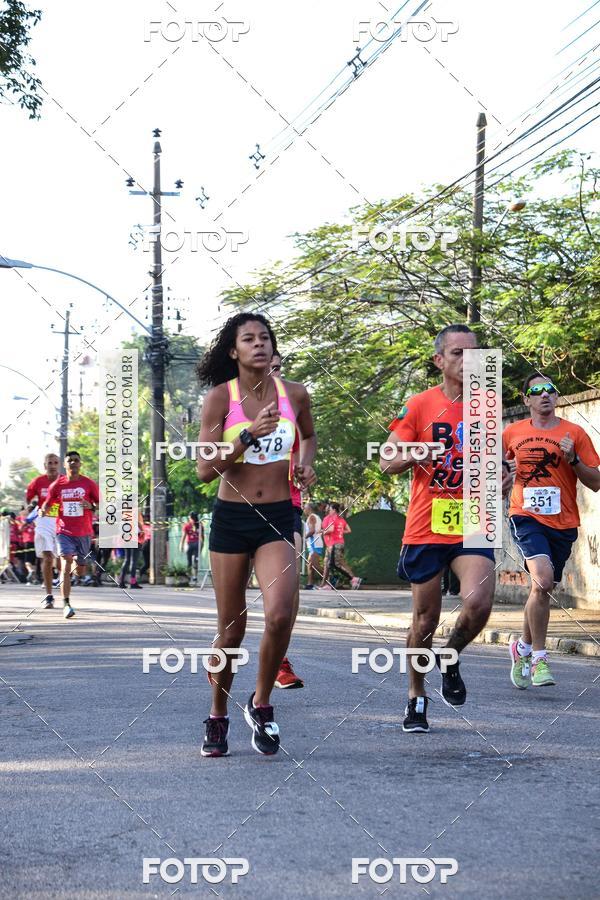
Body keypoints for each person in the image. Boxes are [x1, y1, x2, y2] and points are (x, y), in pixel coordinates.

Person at [380, 324, 513, 733]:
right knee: (424, 619)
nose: (468, 361)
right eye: (458, 353)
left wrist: (505, 477)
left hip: (474, 516)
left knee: (478, 605)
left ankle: (450, 656)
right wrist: (419, 450)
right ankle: (416, 696)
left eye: (474, 354)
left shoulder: (488, 406)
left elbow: (500, 462)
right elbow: (387, 460)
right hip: (426, 522)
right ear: (439, 361)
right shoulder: (419, 405)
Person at [196, 313, 316, 757]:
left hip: (278, 517)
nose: (259, 345)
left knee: (281, 615)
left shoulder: (296, 394)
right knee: (231, 630)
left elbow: (308, 435)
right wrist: (247, 436)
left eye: (265, 338)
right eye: (249, 339)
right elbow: (206, 470)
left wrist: (307, 464)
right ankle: (217, 712)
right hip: (232, 517)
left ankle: (262, 701)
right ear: (234, 350)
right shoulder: (218, 400)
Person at [504, 374, 600, 688]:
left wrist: (572, 459)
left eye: (550, 390)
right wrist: (504, 477)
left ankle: (522, 647)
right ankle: (539, 660)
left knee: (541, 589)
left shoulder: (575, 433)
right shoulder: (511, 434)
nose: (545, 394)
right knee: (543, 580)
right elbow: (492, 474)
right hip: (526, 517)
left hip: (563, 522)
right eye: (536, 390)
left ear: (556, 397)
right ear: (526, 399)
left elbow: (595, 482)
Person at [271, 352, 304, 689]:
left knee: (288, 587)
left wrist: (306, 467)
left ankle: (280, 660)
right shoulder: (230, 406)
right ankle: (222, 646)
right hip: (243, 507)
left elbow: (306, 445)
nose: (271, 373)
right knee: (236, 599)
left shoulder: (293, 409)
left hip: (287, 504)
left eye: (277, 368)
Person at [39, 450, 100, 619]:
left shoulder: (89, 484)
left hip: (84, 532)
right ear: (65, 465)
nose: (73, 463)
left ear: (80, 464)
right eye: (70, 461)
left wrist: (91, 506)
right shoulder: (57, 485)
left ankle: (76, 567)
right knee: (65, 562)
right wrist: (43, 510)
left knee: (80, 570)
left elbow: (100, 503)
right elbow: (47, 504)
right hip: (63, 531)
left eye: (76, 460)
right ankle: (66, 603)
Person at [26, 453, 61, 607]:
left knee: (62, 560)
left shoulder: (65, 482)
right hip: (43, 521)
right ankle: (48, 595)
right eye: (49, 463)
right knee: (47, 557)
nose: (52, 465)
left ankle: (63, 586)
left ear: (59, 465)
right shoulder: (38, 481)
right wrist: (32, 507)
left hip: (62, 522)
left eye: (55, 463)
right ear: (44, 465)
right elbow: (29, 499)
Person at [320, 502, 361, 590]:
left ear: (334, 510)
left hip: (334, 544)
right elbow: (349, 530)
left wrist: (322, 532)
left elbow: (330, 529)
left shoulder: (332, 518)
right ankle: (326, 584)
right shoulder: (341, 519)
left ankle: (353, 579)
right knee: (328, 564)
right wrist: (339, 532)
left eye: (330, 509)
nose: (329, 511)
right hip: (339, 543)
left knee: (336, 564)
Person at [119, 510, 145, 590]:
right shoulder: (136, 512)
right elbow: (138, 523)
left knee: (127, 560)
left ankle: (121, 582)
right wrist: (142, 530)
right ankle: (133, 582)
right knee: (134, 561)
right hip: (135, 539)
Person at [303, 501, 324, 589]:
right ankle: (310, 584)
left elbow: (312, 531)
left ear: (309, 509)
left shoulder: (311, 517)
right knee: (310, 565)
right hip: (315, 543)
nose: (303, 509)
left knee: (314, 565)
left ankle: (330, 578)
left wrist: (304, 537)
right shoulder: (317, 517)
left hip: (314, 544)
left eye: (305, 508)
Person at [179, 512, 204, 583]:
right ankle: (189, 577)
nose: (189, 519)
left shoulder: (200, 525)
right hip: (189, 544)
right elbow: (183, 536)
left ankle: (195, 577)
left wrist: (202, 545)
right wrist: (181, 545)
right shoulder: (187, 526)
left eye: (190, 518)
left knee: (196, 561)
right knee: (189, 562)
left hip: (197, 544)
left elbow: (202, 537)